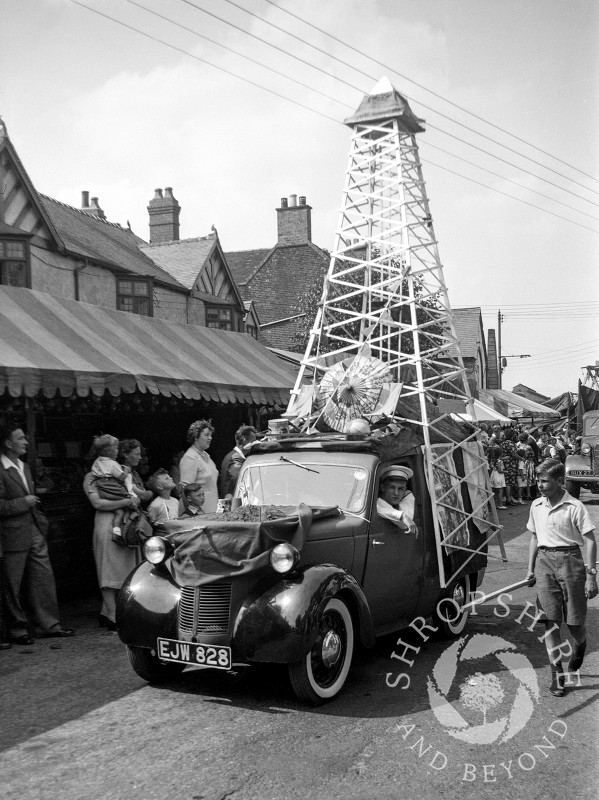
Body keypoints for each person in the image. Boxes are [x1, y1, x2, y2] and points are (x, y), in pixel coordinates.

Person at [525, 459, 597, 696]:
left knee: (574, 623)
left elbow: (589, 540)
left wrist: (591, 576)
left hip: (571, 562)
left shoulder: (575, 506)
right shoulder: (536, 505)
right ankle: (557, 674)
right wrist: (530, 569)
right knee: (550, 623)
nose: (540, 485)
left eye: (545, 481)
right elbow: (535, 537)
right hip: (545, 563)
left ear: (559, 481)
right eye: (538, 480)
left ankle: (581, 645)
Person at [0, 423, 74, 644]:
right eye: (20, 438)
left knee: (43, 578)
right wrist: (24, 501)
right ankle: (17, 629)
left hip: (33, 530)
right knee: (13, 584)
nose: (26, 441)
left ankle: (50, 624)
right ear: (7, 443)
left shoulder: (24, 466)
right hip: (12, 534)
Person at [83, 459, 140, 631]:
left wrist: (133, 499)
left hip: (127, 523)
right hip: (106, 524)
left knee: (126, 569)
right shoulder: (91, 477)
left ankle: (106, 611)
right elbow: (98, 503)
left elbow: (136, 495)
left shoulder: (122, 475)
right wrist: (125, 502)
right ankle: (113, 616)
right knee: (109, 569)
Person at [90, 434, 135, 543]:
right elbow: (121, 477)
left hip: (103, 491)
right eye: (116, 448)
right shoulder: (112, 464)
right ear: (108, 451)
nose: (117, 451)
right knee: (129, 501)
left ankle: (116, 532)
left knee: (118, 511)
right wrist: (127, 470)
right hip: (114, 489)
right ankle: (118, 531)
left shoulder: (96, 462)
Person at [179, 420, 219, 512]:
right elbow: (186, 492)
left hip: (212, 507)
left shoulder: (206, 456)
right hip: (200, 511)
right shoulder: (190, 458)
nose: (210, 438)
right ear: (196, 437)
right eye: (206, 435)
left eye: (211, 435)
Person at [376, 465, 418, 534]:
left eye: (400, 489)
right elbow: (380, 508)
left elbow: (406, 522)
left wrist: (404, 517)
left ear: (405, 490)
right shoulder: (375, 504)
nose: (396, 493)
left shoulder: (406, 496)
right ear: (382, 487)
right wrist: (403, 516)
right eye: (392, 487)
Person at [218, 425, 258, 498]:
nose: (254, 445)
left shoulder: (234, 456)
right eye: (253, 442)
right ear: (245, 440)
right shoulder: (235, 458)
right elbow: (241, 479)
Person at [118, 439, 153, 507]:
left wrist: (148, 493)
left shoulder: (135, 474)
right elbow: (143, 496)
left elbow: (144, 496)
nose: (140, 458)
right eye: (137, 454)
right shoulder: (119, 472)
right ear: (125, 454)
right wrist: (148, 493)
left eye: (140, 454)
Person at [488, 444, 507, 509]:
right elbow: (499, 470)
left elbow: (491, 468)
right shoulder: (499, 461)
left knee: (496, 490)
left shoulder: (492, 460)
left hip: (493, 474)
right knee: (500, 490)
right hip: (498, 475)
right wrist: (506, 472)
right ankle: (500, 504)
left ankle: (496, 504)